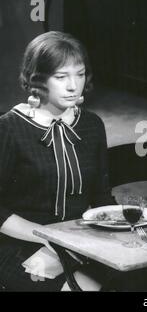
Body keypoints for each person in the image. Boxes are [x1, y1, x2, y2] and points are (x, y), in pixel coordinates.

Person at [0, 31, 114, 291]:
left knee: (136, 278)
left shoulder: (92, 125)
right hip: (21, 242)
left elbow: (102, 197)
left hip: (82, 241)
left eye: (80, 74)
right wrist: (47, 237)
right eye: (61, 77)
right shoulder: (9, 129)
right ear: (37, 81)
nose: (74, 85)